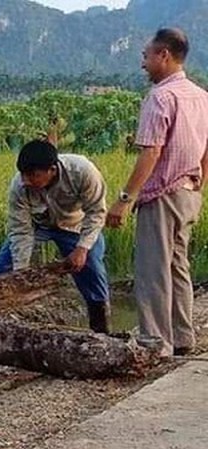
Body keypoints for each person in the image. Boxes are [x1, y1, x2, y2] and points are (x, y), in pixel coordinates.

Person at [106, 28, 208, 357]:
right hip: (189, 192)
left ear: (164, 55)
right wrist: (199, 183)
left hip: (162, 194)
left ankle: (155, 343)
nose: (143, 64)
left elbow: (150, 152)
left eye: (146, 56)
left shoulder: (161, 97)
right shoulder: (201, 96)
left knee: (152, 269)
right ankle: (182, 336)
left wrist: (124, 199)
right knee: (178, 265)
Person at [0, 139, 111, 333]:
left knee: (92, 269)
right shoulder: (19, 186)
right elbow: (21, 230)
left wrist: (82, 249)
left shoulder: (82, 171)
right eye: (23, 174)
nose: (26, 180)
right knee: (1, 269)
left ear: (52, 170)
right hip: (39, 225)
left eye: (33, 175)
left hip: (75, 226)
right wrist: (21, 272)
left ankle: (101, 328)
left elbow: (96, 212)